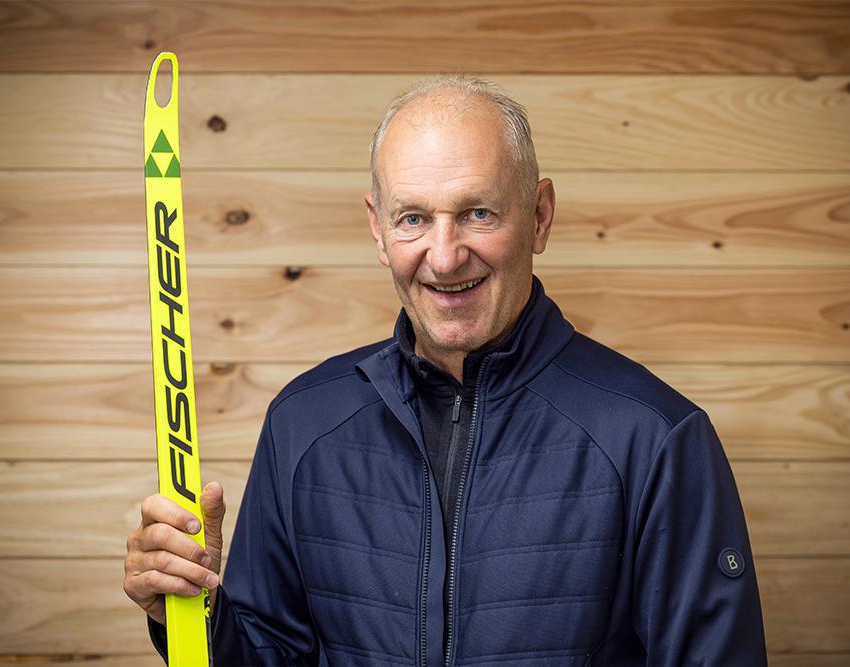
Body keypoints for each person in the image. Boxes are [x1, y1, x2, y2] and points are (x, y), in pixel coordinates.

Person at [124, 74, 767, 666]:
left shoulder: (654, 437)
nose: (444, 255)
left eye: (477, 213)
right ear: (378, 230)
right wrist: (194, 614)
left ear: (538, 216)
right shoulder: (304, 422)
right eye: (414, 218)